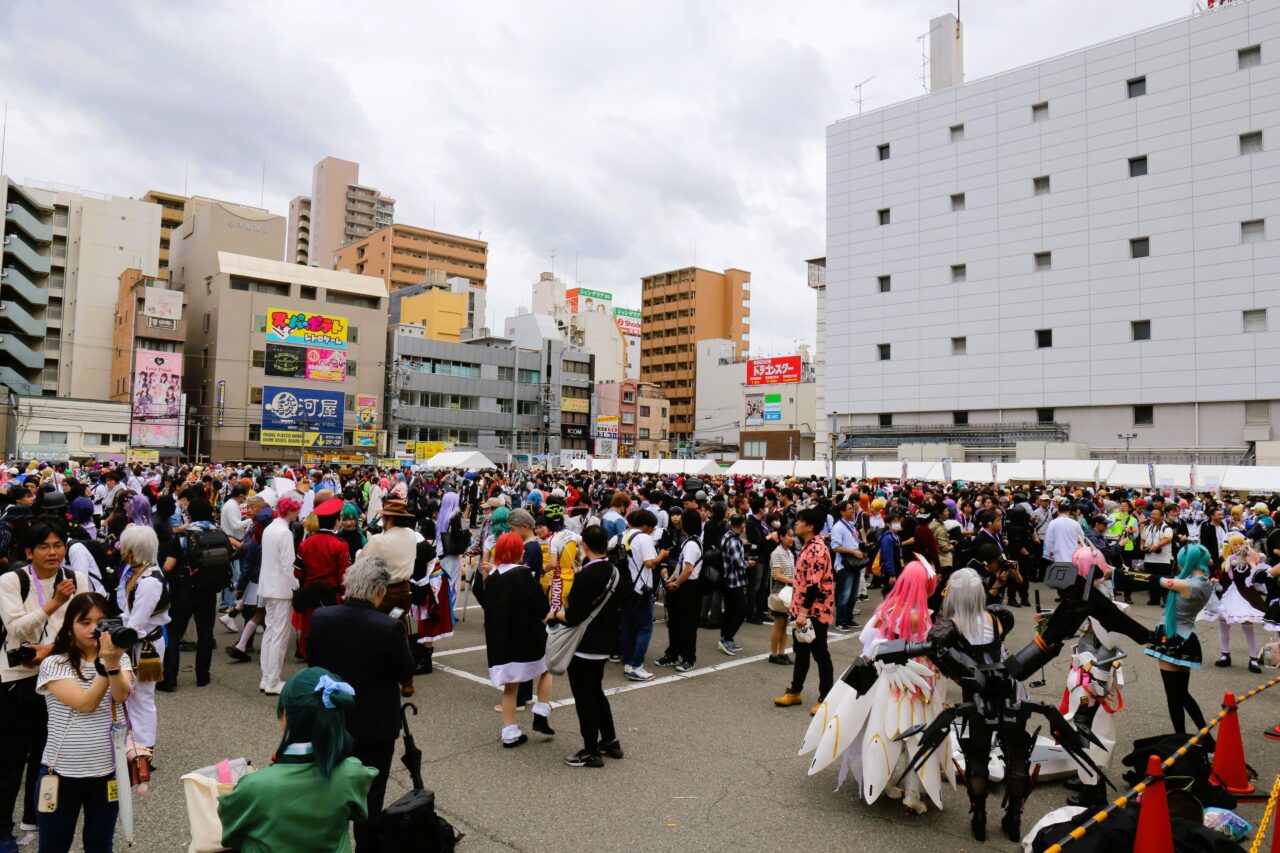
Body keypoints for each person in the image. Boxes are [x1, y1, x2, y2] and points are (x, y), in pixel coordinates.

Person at [307, 557, 415, 852]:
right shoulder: (387, 626)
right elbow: (406, 671)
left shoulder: (321, 617)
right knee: (370, 797)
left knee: (329, 789)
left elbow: (312, 664)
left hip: (332, 718)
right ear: (379, 591)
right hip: (375, 724)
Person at [0, 521, 95, 851]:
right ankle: (2, 830)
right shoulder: (12, 581)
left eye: (58, 545)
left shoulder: (75, 579)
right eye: (44, 546)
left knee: (47, 756)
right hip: (18, 678)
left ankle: (34, 819)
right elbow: (17, 630)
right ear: (29, 552)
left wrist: (53, 651)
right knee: (11, 758)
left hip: (57, 674)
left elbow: (84, 626)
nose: (53, 552)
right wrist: (54, 602)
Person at [218, 667, 377, 853]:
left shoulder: (254, 786)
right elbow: (358, 812)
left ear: (285, 716)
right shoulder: (353, 773)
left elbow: (230, 832)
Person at [35, 591, 135, 853]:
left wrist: (111, 662)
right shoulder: (54, 663)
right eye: (85, 622)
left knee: (100, 845)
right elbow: (85, 703)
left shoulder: (121, 658)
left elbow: (121, 694)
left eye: (101, 622)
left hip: (106, 773)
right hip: (60, 773)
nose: (94, 629)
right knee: (53, 847)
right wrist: (107, 665)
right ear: (70, 626)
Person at [546, 524, 624, 768]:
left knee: (584, 697)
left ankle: (591, 749)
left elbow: (574, 616)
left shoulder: (585, 577)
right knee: (596, 691)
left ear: (585, 546)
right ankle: (610, 739)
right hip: (605, 640)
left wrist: (556, 614)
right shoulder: (614, 571)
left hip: (584, 643)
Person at [474, 532, 554, 747]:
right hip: (528, 637)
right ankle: (541, 709)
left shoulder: (493, 578)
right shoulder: (523, 575)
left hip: (502, 642)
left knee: (510, 687)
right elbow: (542, 607)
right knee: (545, 669)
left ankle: (510, 733)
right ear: (520, 551)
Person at [1145, 543, 1214, 735]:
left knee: (1175, 695)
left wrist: (1114, 571)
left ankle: (1181, 739)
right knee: (1182, 694)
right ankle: (1204, 736)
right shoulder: (1205, 583)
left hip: (1173, 637)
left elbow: (1150, 579)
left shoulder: (1185, 585)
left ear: (1186, 561)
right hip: (1187, 638)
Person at [116, 525, 170, 763]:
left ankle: (144, 749)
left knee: (142, 697)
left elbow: (136, 624)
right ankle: (135, 743)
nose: (121, 548)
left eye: (124, 545)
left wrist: (116, 644)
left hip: (144, 646)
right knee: (134, 696)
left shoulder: (149, 581)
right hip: (139, 642)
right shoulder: (141, 572)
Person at [159, 498, 222, 692]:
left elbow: (168, 566)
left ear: (191, 514)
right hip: (209, 590)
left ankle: (170, 677)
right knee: (205, 633)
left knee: (174, 633)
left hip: (184, 590)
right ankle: (203, 676)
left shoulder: (183, 536)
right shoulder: (217, 533)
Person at [776, 507, 834, 714]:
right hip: (802, 609)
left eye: (799, 521)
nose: (795, 524)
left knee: (820, 654)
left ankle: (826, 698)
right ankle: (795, 691)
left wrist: (803, 613)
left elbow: (814, 585)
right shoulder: (807, 546)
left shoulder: (817, 549)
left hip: (813, 612)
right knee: (801, 652)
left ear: (810, 526)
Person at [358, 499, 419, 697]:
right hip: (404, 592)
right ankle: (407, 680)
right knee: (399, 630)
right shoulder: (411, 535)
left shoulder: (379, 540)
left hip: (382, 592)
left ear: (390, 519)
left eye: (384, 517)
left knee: (374, 631)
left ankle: (377, 675)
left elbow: (362, 560)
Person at [293, 498, 350, 661]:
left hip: (310, 591)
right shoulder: (340, 544)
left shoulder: (306, 543)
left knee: (309, 625)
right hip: (332, 593)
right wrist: (345, 593)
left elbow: (297, 572)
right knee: (331, 627)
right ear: (337, 521)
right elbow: (343, 575)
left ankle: (306, 652)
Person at [259, 495, 301, 696]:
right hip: (282, 589)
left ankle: (266, 677)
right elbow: (288, 566)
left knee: (270, 632)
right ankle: (273, 680)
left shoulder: (270, 528)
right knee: (280, 635)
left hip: (267, 586)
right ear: (291, 511)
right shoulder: (284, 533)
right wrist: (296, 586)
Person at [655, 509, 703, 673]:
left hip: (688, 588)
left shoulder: (691, 544)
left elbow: (688, 569)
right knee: (674, 623)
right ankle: (673, 654)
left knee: (686, 625)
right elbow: (680, 565)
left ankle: (689, 658)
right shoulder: (688, 541)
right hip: (682, 585)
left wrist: (675, 584)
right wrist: (671, 578)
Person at [618, 509, 661, 681]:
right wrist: (662, 556)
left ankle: (628, 662)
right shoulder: (644, 538)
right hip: (641, 589)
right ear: (645, 525)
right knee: (645, 628)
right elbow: (649, 563)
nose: (652, 531)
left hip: (625, 588)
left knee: (628, 626)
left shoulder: (621, 536)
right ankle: (636, 666)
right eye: (652, 527)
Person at [718, 514, 750, 656]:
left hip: (727, 579)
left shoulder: (727, 536)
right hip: (733, 580)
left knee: (730, 610)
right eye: (743, 524)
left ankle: (726, 638)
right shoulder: (734, 540)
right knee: (741, 610)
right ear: (740, 525)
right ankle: (726, 638)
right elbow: (738, 562)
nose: (744, 526)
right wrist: (749, 563)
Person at [767, 527, 796, 664]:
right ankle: (773, 654)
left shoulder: (790, 553)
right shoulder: (776, 553)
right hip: (780, 591)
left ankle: (782, 652)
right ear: (781, 537)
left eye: (793, 535)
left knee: (785, 624)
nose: (792, 538)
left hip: (789, 591)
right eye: (789, 535)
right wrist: (794, 581)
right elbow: (776, 575)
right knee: (778, 623)